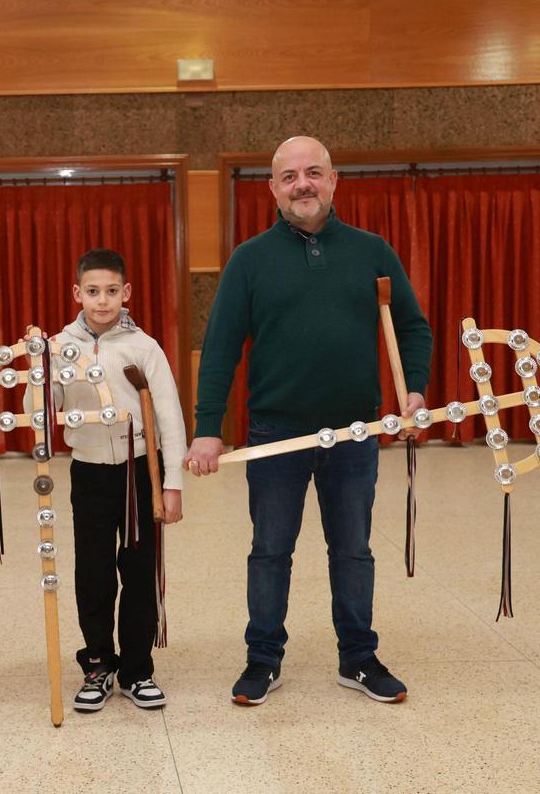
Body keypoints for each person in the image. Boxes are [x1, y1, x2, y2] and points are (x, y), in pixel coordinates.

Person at [183, 136, 432, 706]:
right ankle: (262, 659)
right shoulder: (249, 260)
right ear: (272, 189)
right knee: (270, 549)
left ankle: (359, 658)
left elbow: (414, 328)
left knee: (353, 549)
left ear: (333, 179)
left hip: (355, 432)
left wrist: (412, 389)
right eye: (290, 176)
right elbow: (220, 348)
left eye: (313, 172)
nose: (303, 184)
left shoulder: (372, 251)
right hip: (276, 432)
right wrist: (207, 426)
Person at [29, 248, 187, 712]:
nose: (102, 301)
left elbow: (170, 416)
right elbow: (39, 408)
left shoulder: (144, 347)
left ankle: (137, 670)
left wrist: (171, 482)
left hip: (141, 472)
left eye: (112, 291)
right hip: (90, 472)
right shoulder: (60, 346)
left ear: (126, 293)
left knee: (139, 571)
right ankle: (98, 664)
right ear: (77, 293)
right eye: (93, 292)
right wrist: (38, 371)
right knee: (93, 572)